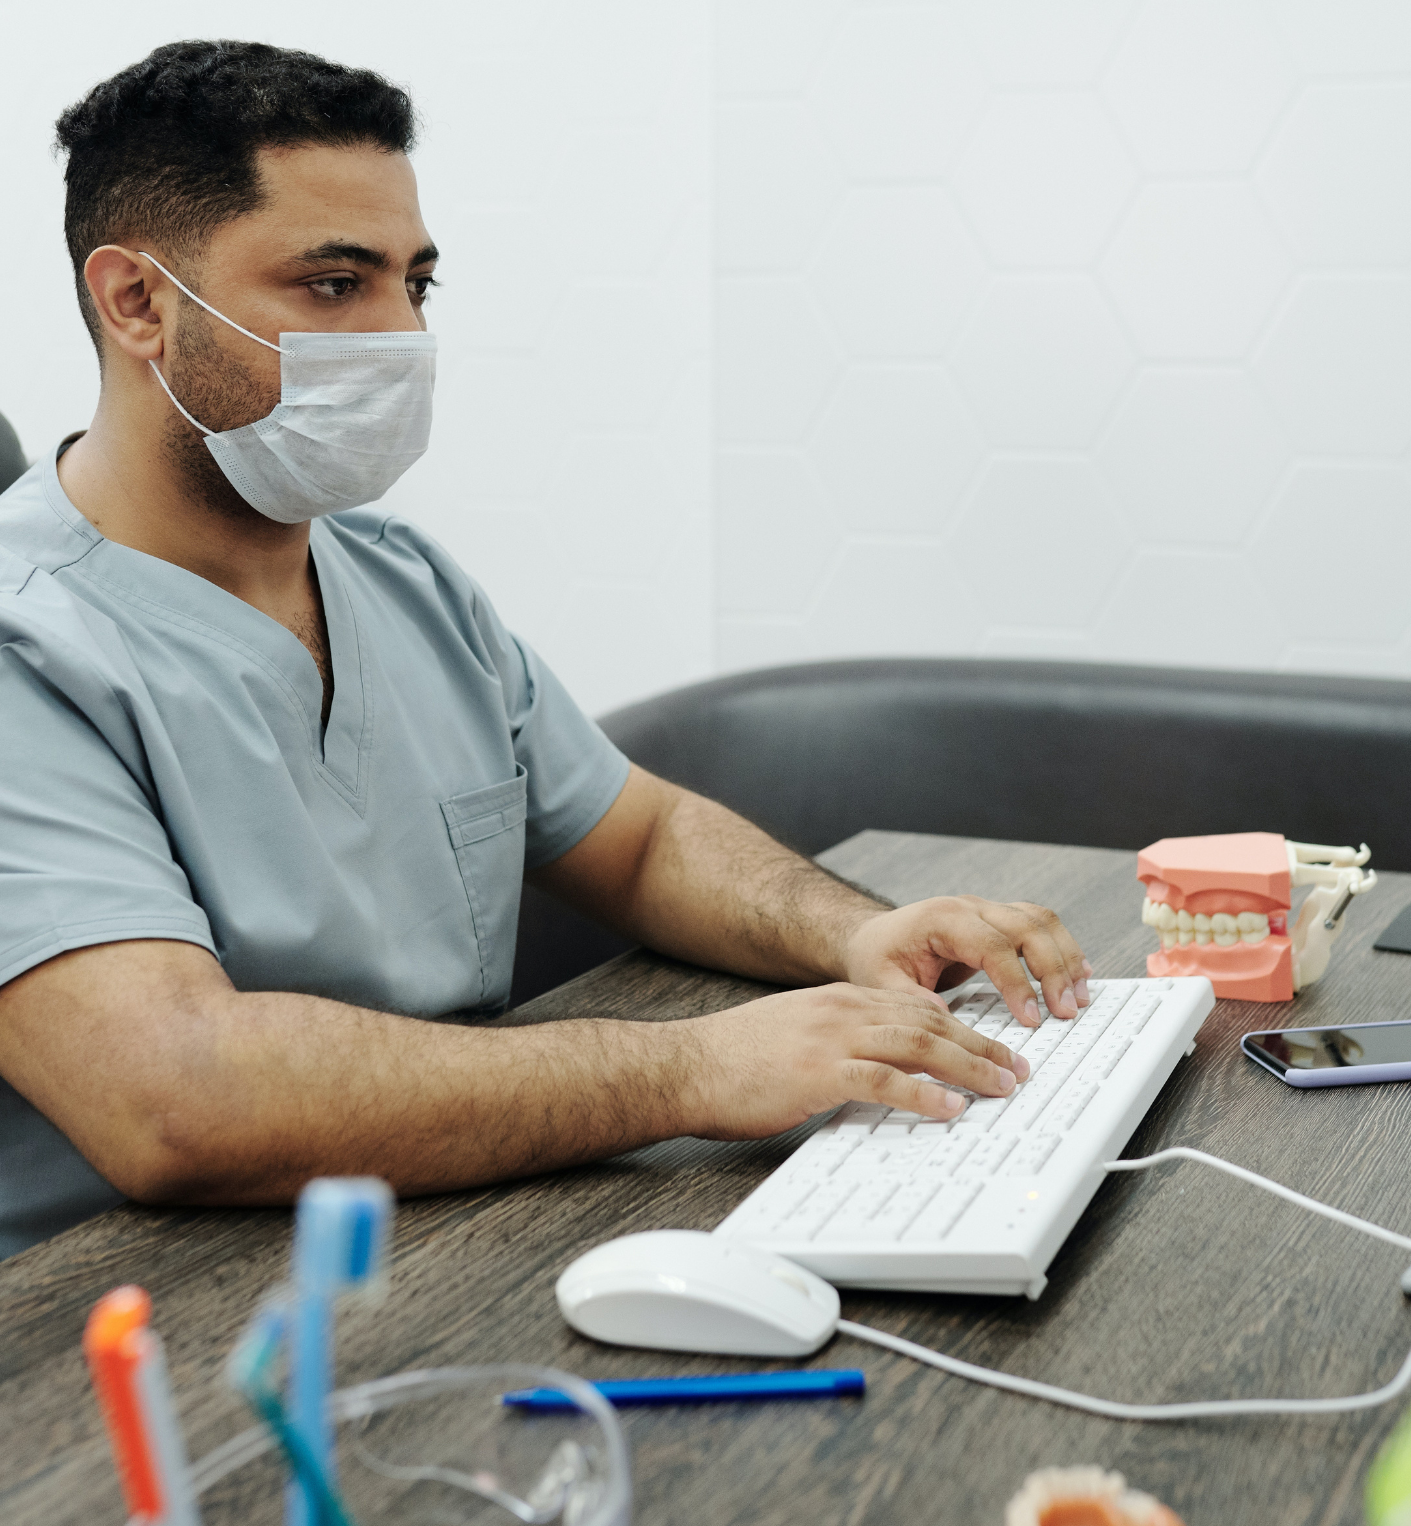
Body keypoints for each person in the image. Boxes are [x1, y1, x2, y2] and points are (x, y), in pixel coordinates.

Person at [0, 39, 1092, 1259]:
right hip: (136, 1315)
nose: (396, 335)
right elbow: (176, 1097)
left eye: (416, 283)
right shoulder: (27, 647)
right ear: (138, 302)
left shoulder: (404, 580)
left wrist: (845, 930)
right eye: (331, 284)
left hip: (465, 1225)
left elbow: (639, 837)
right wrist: (690, 1070)